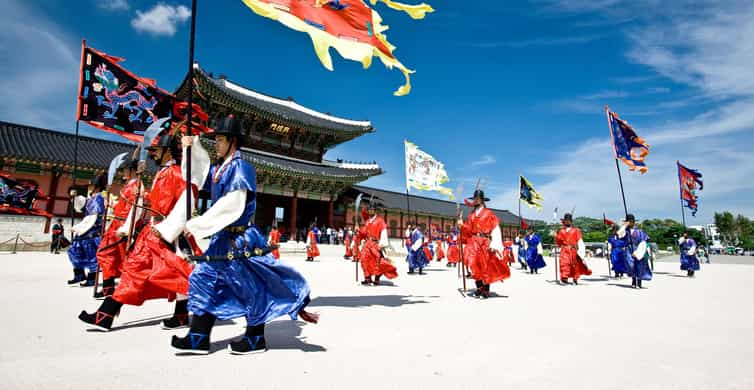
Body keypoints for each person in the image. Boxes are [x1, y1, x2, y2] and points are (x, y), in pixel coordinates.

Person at [170, 115, 318, 354]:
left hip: (240, 239)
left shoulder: (241, 167)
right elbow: (196, 176)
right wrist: (190, 148)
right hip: (221, 239)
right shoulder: (220, 169)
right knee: (203, 279)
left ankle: (254, 338)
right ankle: (198, 336)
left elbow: (233, 203)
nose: (216, 144)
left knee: (250, 287)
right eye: (215, 139)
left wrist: (199, 223)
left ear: (233, 141)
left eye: (219, 139)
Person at [78, 123, 194, 331]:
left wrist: (169, 228)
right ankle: (179, 314)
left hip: (166, 231)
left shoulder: (177, 174)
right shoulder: (162, 173)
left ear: (167, 151)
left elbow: (186, 202)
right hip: (153, 230)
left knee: (172, 272)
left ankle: (106, 314)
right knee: (139, 270)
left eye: (155, 151)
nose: (152, 155)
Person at [95, 154, 145, 299]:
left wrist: (126, 228)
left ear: (132, 171)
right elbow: (122, 206)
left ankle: (114, 288)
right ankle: (108, 287)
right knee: (108, 255)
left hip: (123, 225)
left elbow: (138, 209)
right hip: (116, 223)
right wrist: (111, 205)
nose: (123, 173)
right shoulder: (129, 185)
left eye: (125, 170)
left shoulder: (137, 185)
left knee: (110, 254)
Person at [457, 190, 511, 298]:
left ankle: (485, 289)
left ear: (481, 200)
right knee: (472, 263)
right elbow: (469, 230)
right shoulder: (471, 215)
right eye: (474, 199)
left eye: (477, 199)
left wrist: (495, 244)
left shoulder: (488, 213)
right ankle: (479, 287)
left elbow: (495, 228)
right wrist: (462, 225)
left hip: (484, 241)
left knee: (485, 266)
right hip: (473, 242)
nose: (475, 201)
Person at [67, 175, 106, 287]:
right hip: (85, 231)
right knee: (75, 250)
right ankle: (79, 274)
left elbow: (92, 217)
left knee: (91, 255)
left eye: (91, 186)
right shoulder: (91, 198)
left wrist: (79, 227)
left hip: (91, 230)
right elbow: (80, 206)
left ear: (97, 187)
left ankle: (91, 278)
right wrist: (75, 197)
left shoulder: (98, 198)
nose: (89, 188)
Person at [357, 199, 398, 286]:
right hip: (367, 244)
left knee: (378, 261)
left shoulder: (380, 221)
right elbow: (364, 233)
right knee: (364, 260)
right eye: (369, 209)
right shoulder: (367, 221)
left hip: (376, 244)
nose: (370, 211)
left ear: (375, 210)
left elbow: (383, 232)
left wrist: (382, 244)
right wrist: (358, 231)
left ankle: (377, 278)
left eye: (372, 209)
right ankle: (367, 278)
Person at [555, 213, 591, 285]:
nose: (567, 222)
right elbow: (558, 243)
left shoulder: (576, 230)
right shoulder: (561, 231)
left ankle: (575, 278)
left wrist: (581, 252)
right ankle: (564, 278)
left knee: (574, 265)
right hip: (564, 250)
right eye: (566, 220)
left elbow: (580, 241)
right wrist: (556, 236)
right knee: (564, 263)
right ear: (564, 221)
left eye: (569, 220)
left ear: (571, 221)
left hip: (573, 250)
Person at [619, 214, 652, 288]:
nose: (630, 223)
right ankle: (634, 279)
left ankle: (639, 281)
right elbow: (619, 235)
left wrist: (638, 252)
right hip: (628, 250)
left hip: (638, 248)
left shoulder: (639, 231)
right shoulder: (625, 231)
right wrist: (624, 226)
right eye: (628, 222)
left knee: (640, 265)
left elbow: (643, 241)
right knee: (631, 265)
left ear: (634, 222)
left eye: (631, 221)